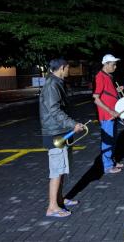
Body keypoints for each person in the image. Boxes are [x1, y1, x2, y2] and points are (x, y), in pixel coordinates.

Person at [40, 58, 84, 218]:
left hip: (60, 131)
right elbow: (54, 110)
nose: (68, 71)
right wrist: (73, 124)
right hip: (55, 133)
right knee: (57, 170)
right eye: (67, 68)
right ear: (62, 68)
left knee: (62, 168)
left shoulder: (56, 82)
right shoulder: (52, 84)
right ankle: (52, 207)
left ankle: (59, 200)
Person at [93, 54, 124, 174]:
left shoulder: (108, 76)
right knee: (107, 141)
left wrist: (117, 91)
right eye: (113, 64)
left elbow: (107, 93)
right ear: (106, 64)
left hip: (113, 114)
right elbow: (96, 99)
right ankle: (107, 166)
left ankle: (112, 161)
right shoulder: (100, 77)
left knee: (112, 140)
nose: (115, 67)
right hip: (107, 116)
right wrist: (110, 111)